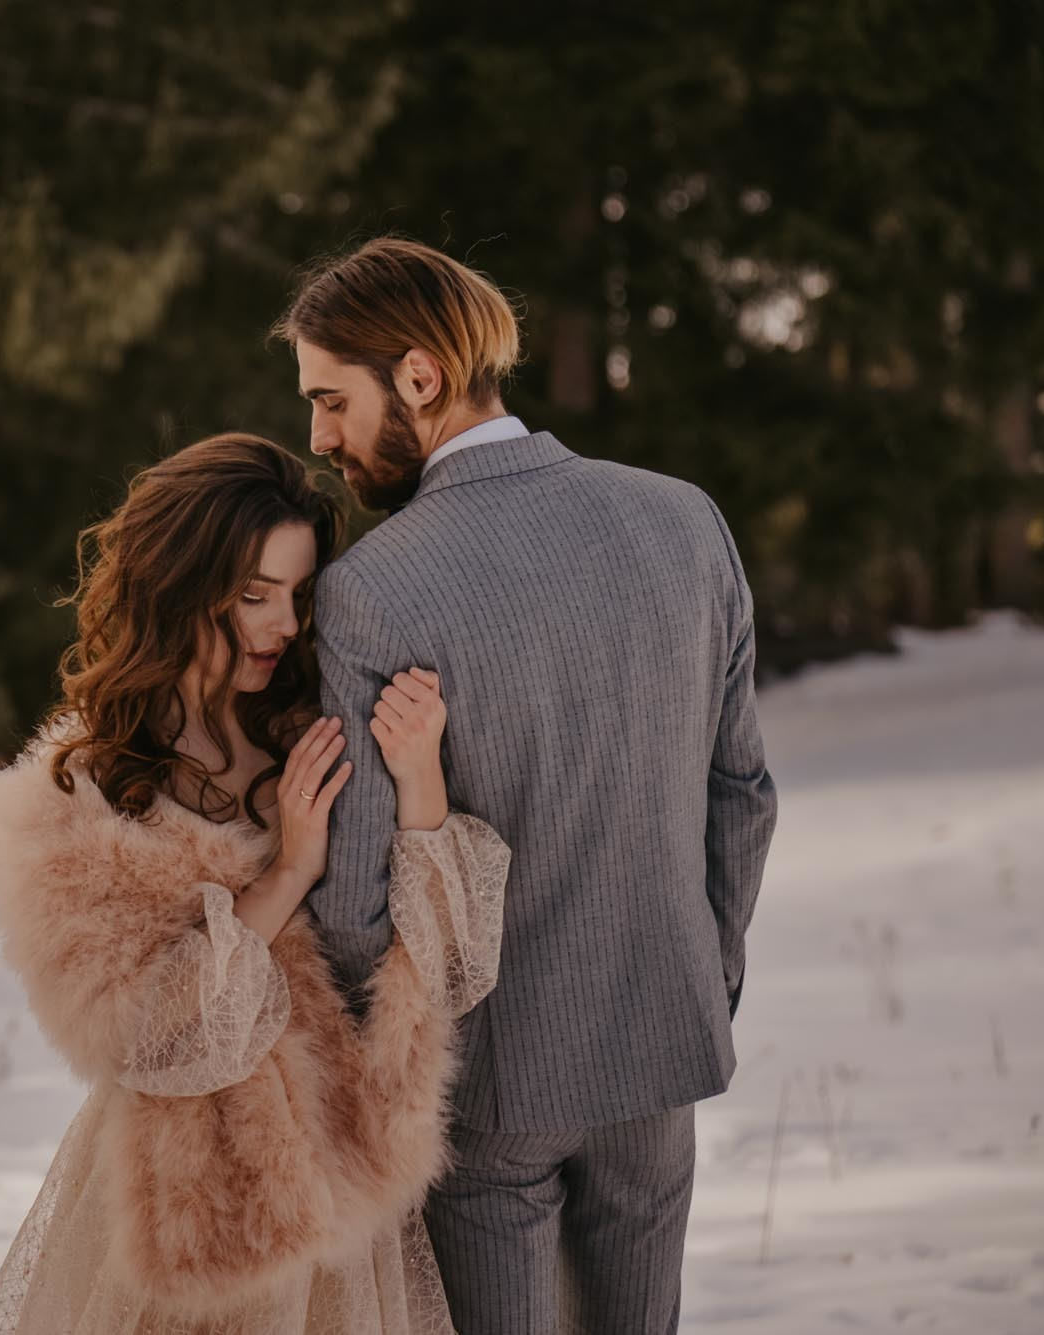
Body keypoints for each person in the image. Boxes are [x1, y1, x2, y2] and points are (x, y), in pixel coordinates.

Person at [274, 237, 778, 1334]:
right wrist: (703, 973)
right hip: (661, 1038)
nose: (317, 438)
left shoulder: (371, 591)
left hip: (484, 1083)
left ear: (416, 375)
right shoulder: (684, 519)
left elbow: (355, 902)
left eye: (328, 399)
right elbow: (739, 794)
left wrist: (385, 1071)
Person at [0, 432, 513, 1334]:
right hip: (191, 1204)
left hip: (344, 1193)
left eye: (298, 595)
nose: (285, 626)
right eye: (255, 595)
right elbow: (146, 1037)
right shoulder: (70, 794)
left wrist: (419, 781)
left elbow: (445, 970)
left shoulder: (313, 728)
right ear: (180, 588)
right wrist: (291, 865)